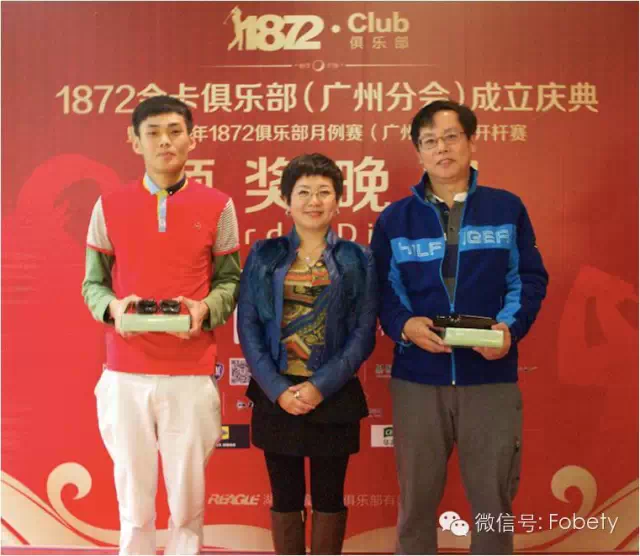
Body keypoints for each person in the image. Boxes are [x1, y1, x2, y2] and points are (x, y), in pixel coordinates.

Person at [370, 100, 548, 555]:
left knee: (492, 503)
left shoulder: (506, 208)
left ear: (471, 142)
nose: (442, 149)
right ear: (418, 153)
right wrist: (405, 325)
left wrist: (509, 330)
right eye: (429, 141)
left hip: (489, 377)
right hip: (418, 380)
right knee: (415, 503)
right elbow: (383, 290)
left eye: (451, 137)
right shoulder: (394, 219)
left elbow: (528, 279)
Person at [82, 95, 241, 555]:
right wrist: (115, 309)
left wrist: (203, 310)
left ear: (192, 138)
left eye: (175, 131)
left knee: (187, 503)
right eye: (153, 133)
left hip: (190, 373)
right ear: (135, 141)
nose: (165, 141)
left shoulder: (219, 206)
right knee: (133, 501)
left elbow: (230, 281)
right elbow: (93, 285)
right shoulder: (108, 205)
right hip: (125, 374)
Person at [237, 153, 378, 555]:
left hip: (333, 397)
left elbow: (364, 333)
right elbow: (248, 326)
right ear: (286, 200)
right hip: (276, 395)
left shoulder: (357, 259)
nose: (313, 201)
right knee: (285, 498)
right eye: (303, 192)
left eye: (323, 192)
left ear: (338, 201)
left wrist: (320, 386)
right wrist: (277, 389)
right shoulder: (264, 255)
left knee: (330, 498)